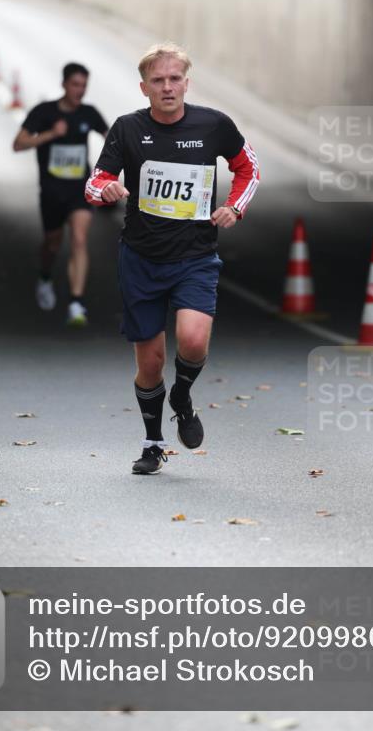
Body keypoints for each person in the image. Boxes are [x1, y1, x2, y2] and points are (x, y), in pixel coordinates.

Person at [85, 43, 260, 475]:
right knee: (150, 362)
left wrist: (235, 207)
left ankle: (182, 396)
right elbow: (97, 180)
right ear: (144, 87)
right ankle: (153, 442)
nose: (167, 87)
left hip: (194, 256)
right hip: (141, 258)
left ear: (187, 82)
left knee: (193, 340)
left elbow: (248, 169)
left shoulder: (214, 125)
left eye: (175, 79)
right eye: (158, 81)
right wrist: (105, 190)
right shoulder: (127, 129)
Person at [13, 63, 108, 326]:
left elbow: (111, 137)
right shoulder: (44, 112)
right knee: (52, 244)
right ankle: (45, 276)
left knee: (79, 239)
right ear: (64, 84)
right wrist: (51, 134)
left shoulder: (89, 113)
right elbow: (18, 144)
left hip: (80, 190)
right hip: (52, 191)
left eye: (84, 86)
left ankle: (76, 303)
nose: (80, 90)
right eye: (76, 85)